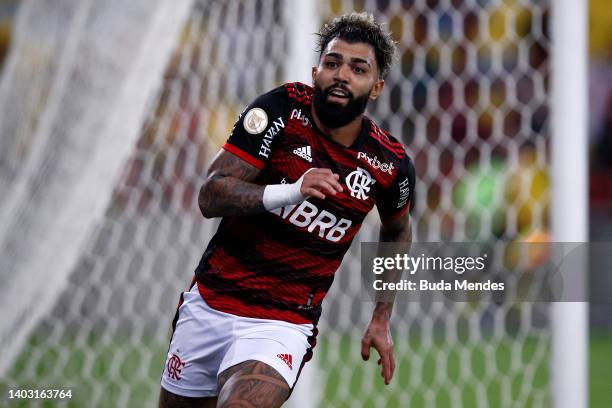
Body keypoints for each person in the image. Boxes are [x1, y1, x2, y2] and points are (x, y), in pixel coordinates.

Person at [159, 12, 415, 408]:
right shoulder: (280, 111)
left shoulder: (389, 163)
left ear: (377, 86)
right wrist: (291, 191)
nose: (341, 74)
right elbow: (211, 195)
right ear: (316, 71)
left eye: (357, 68)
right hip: (211, 302)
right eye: (332, 63)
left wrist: (382, 315)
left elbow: (397, 231)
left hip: (283, 321)